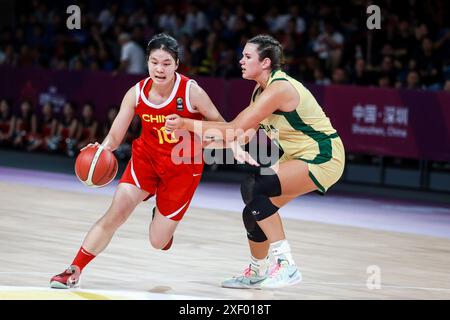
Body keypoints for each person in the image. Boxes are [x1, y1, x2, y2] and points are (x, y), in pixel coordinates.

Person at [50, 33, 253, 289]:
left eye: (166, 63)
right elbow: (114, 136)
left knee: (158, 242)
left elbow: (221, 124)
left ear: (177, 64)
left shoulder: (191, 91)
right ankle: (74, 270)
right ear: (147, 63)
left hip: (182, 169)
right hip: (145, 160)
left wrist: (234, 146)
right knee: (115, 213)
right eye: (155, 62)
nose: (160, 68)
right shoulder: (136, 93)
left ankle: (161, 219)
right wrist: (101, 149)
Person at [165, 34, 345, 289]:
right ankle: (258, 271)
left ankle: (286, 265)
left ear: (266, 63)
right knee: (253, 212)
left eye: (247, 57)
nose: (241, 60)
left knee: (254, 187)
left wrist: (184, 123)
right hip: (298, 157)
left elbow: (234, 127)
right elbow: (243, 133)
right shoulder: (260, 91)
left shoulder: (279, 89)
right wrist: (208, 143)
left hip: (324, 156)